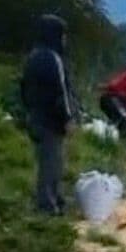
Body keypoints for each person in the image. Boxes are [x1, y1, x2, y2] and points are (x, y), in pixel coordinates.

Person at [18, 15, 75, 215]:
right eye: (63, 35)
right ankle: (47, 207)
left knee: (47, 161)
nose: (65, 40)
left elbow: (23, 88)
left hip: (35, 117)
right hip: (51, 120)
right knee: (52, 164)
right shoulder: (53, 58)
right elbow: (60, 91)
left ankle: (55, 201)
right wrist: (68, 118)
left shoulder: (33, 56)